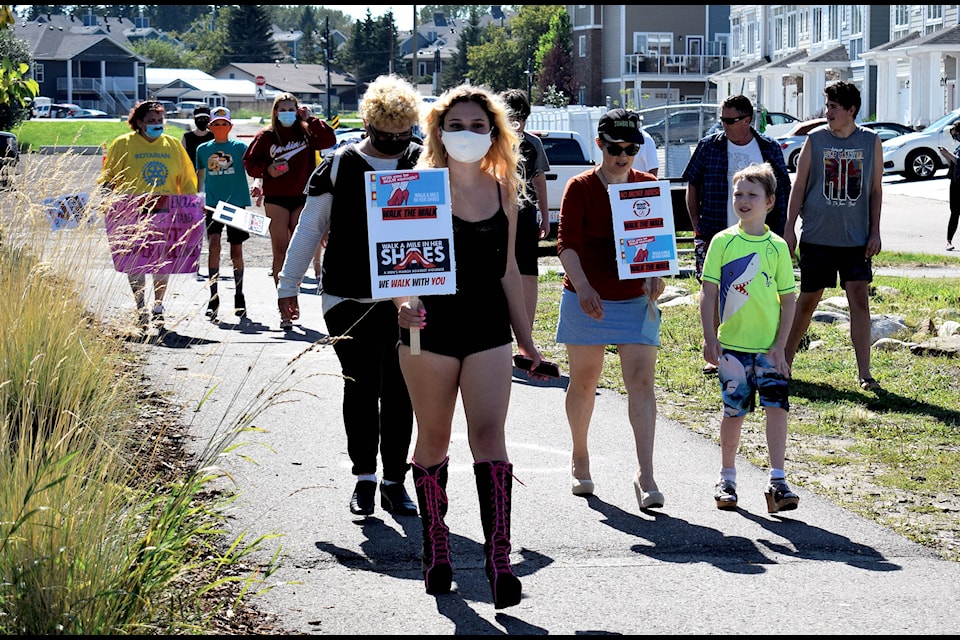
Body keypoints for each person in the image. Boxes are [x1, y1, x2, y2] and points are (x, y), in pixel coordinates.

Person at [394, 84, 544, 609]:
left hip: (487, 331)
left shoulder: (505, 191)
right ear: (437, 131)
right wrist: (400, 305)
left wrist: (527, 340)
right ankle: (437, 547)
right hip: (426, 330)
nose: (467, 134)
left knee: (489, 437)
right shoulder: (412, 186)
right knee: (433, 439)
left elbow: (508, 272)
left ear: (495, 133)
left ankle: (498, 557)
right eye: (456, 125)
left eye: (479, 126)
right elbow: (394, 268)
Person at [276, 74, 423, 519]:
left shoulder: (423, 162)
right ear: (368, 125)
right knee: (361, 386)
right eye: (387, 136)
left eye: (405, 135)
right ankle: (364, 478)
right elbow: (310, 228)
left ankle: (396, 482)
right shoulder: (340, 163)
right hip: (346, 296)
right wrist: (288, 284)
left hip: (410, 299)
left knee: (402, 391)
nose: (397, 144)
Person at [555, 108, 667, 512]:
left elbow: (655, 248)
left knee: (641, 382)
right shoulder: (580, 187)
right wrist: (583, 287)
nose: (623, 155)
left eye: (631, 148)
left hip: (634, 299)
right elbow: (565, 244)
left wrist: (657, 276)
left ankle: (646, 472)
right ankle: (580, 455)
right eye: (615, 147)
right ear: (600, 145)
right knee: (585, 381)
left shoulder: (646, 185)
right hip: (588, 296)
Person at [699, 162, 799, 513]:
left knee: (777, 409)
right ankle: (727, 477)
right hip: (733, 350)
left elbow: (788, 300)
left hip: (769, 350)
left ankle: (778, 480)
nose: (743, 200)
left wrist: (781, 346)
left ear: (770, 202)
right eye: (738, 194)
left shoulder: (778, 247)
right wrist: (711, 338)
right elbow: (708, 292)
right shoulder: (723, 242)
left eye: (752, 195)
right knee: (734, 412)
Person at [782, 80, 884, 392]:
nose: (827, 112)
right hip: (817, 236)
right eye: (827, 106)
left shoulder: (871, 142)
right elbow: (798, 187)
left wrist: (875, 231)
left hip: (855, 239)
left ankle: (864, 372)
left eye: (833, 107)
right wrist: (789, 230)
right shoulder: (815, 140)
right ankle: (784, 362)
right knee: (808, 300)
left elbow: (876, 191)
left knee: (859, 302)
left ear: (851, 110)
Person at [683, 94, 792, 373]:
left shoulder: (768, 147)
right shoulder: (710, 146)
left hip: (758, 236)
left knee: (756, 291)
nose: (724, 125)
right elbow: (692, 184)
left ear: (747, 120)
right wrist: (697, 223)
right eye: (722, 119)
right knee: (714, 289)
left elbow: (783, 189)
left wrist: (784, 228)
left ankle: (763, 348)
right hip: (716, 231)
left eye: (730, 120)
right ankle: (717, 351)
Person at [99, 100, 198, 332]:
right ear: (139, 122)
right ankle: (141, 307)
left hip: (166, 210)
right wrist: (106, 197)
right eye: (151, 121)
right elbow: (110, 176)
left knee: (161, 262)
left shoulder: (172, 144)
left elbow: (186, 177)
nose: (156, 125)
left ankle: (159, 306)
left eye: (159, 121)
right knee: (137, 261)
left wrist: (191, 204)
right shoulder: (122, 144)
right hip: (132, 211)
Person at [242, 92, 336, 327]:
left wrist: (311, 119)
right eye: (282, 109)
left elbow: (328, 141)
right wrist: (267, 170)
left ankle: (295, 297)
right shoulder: (266, 136)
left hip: (302, 195)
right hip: (276, 197)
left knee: (299, 250)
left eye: (291, 109)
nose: (287, 113)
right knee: (280, 251)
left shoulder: (305, 132)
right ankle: (284, 307)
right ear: (275, 112)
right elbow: (249, 162)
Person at [500, 88, 550, 331]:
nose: (517, 123)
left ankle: (526, 332)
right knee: (498, 273)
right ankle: (499, 331)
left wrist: (546, 217)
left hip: (526, 215)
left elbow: (539, 180)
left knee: (528, 273)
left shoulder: (533, 143)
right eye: (512, 117)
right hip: (495, 217)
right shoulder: (491, 142)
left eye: (522, 117)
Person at [195, 106, 251, 321]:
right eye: (216, 124)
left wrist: (258, 183)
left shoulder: (239, 147)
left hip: (236, 204)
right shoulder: (203, 149)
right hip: (212, 205)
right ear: (210, 126)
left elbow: (252, 169)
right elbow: (200, 175)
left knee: (236, 250)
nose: (220, 127)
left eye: (224, 124)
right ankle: (213, 296)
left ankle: (239, 294)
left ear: (230, 126)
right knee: (214, 245)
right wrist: (198, 197)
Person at [936, 121, 960, 251]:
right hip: (956, 182)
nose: (955, 138)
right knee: (954, 212)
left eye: (955, 135)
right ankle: (948, 241)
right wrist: (946, 156)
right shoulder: (958, 148)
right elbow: (954, 164)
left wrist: (949, 154)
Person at [181, 104, 214, 171]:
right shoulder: (187, 137)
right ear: (194, 118)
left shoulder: (214, 136)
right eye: (199, 118)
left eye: (205, 118)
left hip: (210, 174)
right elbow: (181, 157)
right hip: (191, 173)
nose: (202, 121)